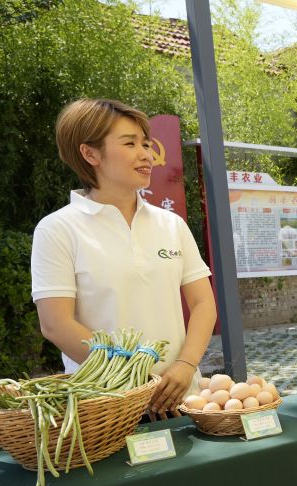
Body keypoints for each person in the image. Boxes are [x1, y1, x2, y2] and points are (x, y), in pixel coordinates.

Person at [31, 98, 217, 417]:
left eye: (145, 143)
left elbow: (203, 303)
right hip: (106, 406)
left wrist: (186, 365)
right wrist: (135, 381)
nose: (146, 154)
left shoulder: (171, 224)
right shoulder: (58, 229)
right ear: (90, 154)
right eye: (130, 143)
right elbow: (56, 324)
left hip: (181, 398)